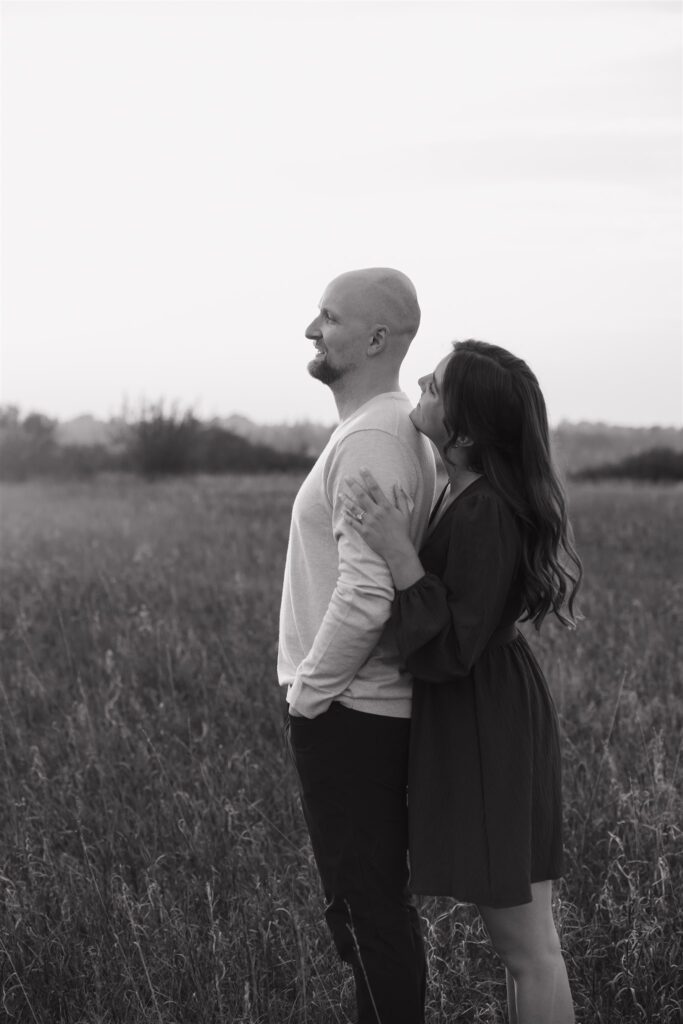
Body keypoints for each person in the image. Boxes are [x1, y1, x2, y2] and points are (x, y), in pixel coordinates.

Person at [342, 339, 581, 1024]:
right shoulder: (472, 493)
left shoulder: (486, 511)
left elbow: (448, 645)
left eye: (437, 386)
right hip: (489, 709)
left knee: (527, 948)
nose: (420, 379)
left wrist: (395, 550)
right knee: (527, 945)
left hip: (487, 719)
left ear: (468, 431)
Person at [278, 268, 437, 1023]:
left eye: (328, 317)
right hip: (361, 711)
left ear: (376, 338)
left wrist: (309, 694)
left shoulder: (375, 435)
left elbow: (367, 591)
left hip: (352, 712)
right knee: (369, 915)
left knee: (367, 916)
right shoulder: (379, 428)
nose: (312, 329)